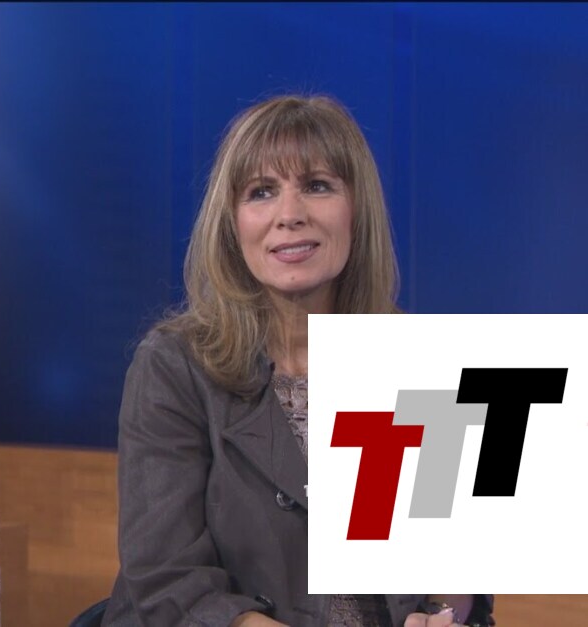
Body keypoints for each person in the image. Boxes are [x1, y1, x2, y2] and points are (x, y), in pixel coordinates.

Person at [102, 94, 493, 627]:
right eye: (261, 192)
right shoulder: (173, 368)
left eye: (317, 185)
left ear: (356, 210)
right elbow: (169, 583)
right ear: (232, 223)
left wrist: (441, 611)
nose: (289, 215)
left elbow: (455, 561)